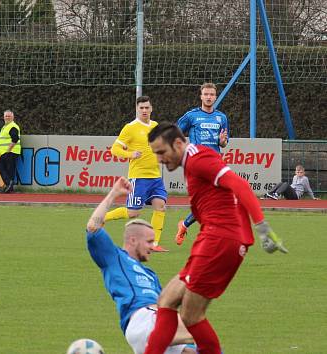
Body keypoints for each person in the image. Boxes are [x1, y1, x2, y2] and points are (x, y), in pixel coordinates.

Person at [143, 122, 287, 354]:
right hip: (215, 238)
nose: (160, 159)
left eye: (162, 152)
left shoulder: (198, 159)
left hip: (220, 240)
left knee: (191, 316)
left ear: (178, 143)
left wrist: (261, 226)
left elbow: (239, 184)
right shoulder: (192, 160)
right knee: (167, 300)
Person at [86, 178, 197, 354]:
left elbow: (166, 303)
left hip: (157, 319)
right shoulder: (114, 258)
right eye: (149, 242)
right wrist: (114, 193)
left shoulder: (150, 274)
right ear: (132, 240)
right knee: (201, 334)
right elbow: (93, 227)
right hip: (142, 319)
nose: (153, 246)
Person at [105, 96, 168, 252]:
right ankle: (102, 218)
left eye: (147, 107)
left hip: (155, 177)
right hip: (139, 177)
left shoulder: (156, 126)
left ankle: (154, 244)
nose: (145, 110)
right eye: (142, 108)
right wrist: (131, 154)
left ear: (151, 108)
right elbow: (115, 149)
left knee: (160, 206)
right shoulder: (130, 128)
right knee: (133, 213)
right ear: (137, 109)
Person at [175, 83, 229, 246]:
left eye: (212, 94)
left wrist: (222, 141)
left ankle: (186, 225)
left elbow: (225, 142)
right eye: (206, 94)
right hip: (197, 164)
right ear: (201, 96)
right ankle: (193, 228)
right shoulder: (192, 116)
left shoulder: (221, 118)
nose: (208, 97)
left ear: (215, 96)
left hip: (215, 164)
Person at [0, 110, 21, 194]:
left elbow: (15, 139)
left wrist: (8, 150)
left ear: (13, 117)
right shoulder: (6, 126)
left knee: (2, 168)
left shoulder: (12, 126)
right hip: (7, 152)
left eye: (9, 116)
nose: (7, 117)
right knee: (8, 170)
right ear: (3, 117)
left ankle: (9, 184)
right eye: (6, 116)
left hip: (10, 152)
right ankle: (10, 187)